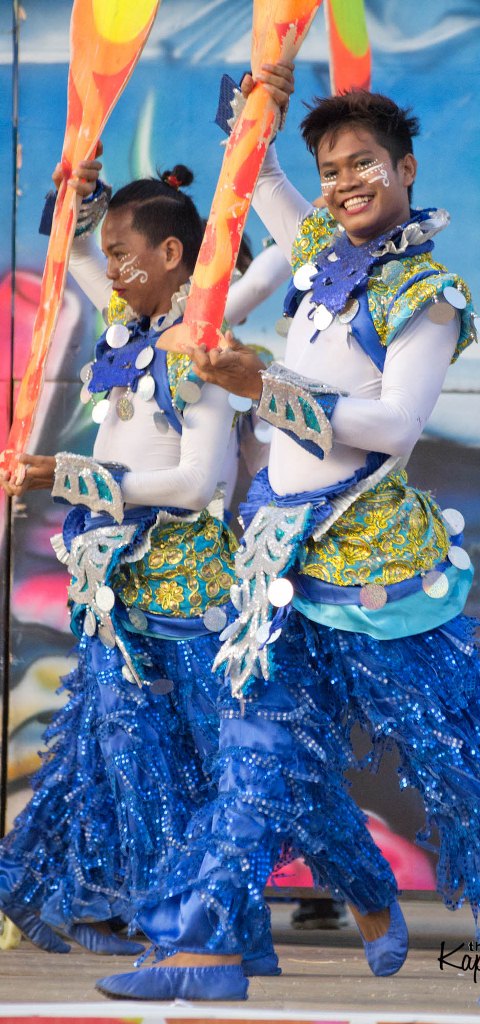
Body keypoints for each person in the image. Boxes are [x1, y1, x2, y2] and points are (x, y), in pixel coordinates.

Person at [95, 64, 480, 1006]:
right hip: (280, 565)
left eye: (363, 162)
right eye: (332, 168)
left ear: (406, 168)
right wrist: (255, 118)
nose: (344, 181)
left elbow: (391, 427)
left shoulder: (425, 289)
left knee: (460, 766)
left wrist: (265, 389)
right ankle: (205, 951)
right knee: (256, 752)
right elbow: (267, 185)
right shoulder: (326, 255)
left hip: (378, 575)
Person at [0, 160, 271, 963]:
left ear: (175, 256)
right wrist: (80, 196)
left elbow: (193, 485)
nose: (112, 271)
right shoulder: (136, 329)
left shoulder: (200, 351)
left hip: (186, 577)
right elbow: (77, 260)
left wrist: (67, 474)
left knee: (180, 746)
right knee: (99, 737)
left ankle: (184, 912)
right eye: (111, 256)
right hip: (113, 575)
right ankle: (61, 891)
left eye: (128, 256)